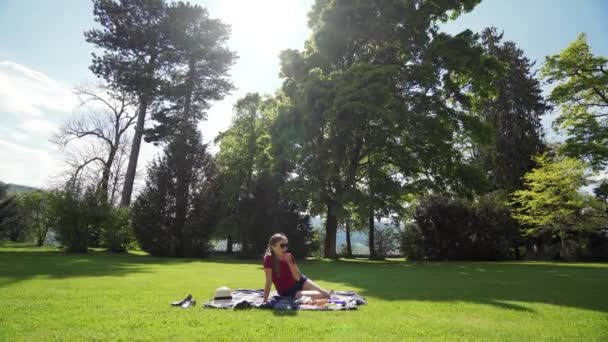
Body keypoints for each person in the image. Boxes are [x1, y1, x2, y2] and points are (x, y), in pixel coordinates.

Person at [262, 233, 331, 303]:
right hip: (288, 290)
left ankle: (307, 297)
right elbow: (268, 282)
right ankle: (306, 296)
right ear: (273, 246)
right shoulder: (268, 259)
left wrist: (289, 262)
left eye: (286, 245)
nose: (285, 248)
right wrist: (264, 301)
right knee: (318, 295)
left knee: (327, 295)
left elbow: (297, 277)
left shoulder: (289, 256)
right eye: (282, 245)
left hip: (301, 281)